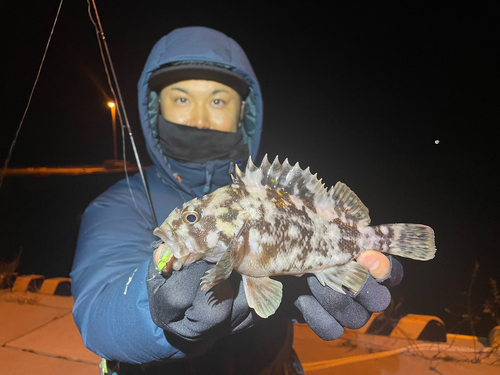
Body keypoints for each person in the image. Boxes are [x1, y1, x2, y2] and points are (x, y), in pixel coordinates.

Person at [71, 26, 403, 374]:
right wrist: (152, 305)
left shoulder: (256, 189)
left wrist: (298, 289)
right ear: (156, 108)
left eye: (217, 100)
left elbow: (266, 283)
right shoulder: (115, 206)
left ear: (242, 110)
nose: (200, 118)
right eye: (182, 99)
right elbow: (97, 315)